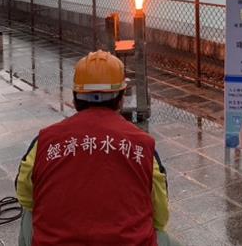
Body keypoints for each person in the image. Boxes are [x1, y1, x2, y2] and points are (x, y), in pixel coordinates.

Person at [15, 50, 179, 246]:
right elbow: (160, 216)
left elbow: (25, 196)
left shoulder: (44, 142)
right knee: (166, 238)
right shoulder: (143, 146)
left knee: (28, 214)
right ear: (121, 99)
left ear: (75, 99)